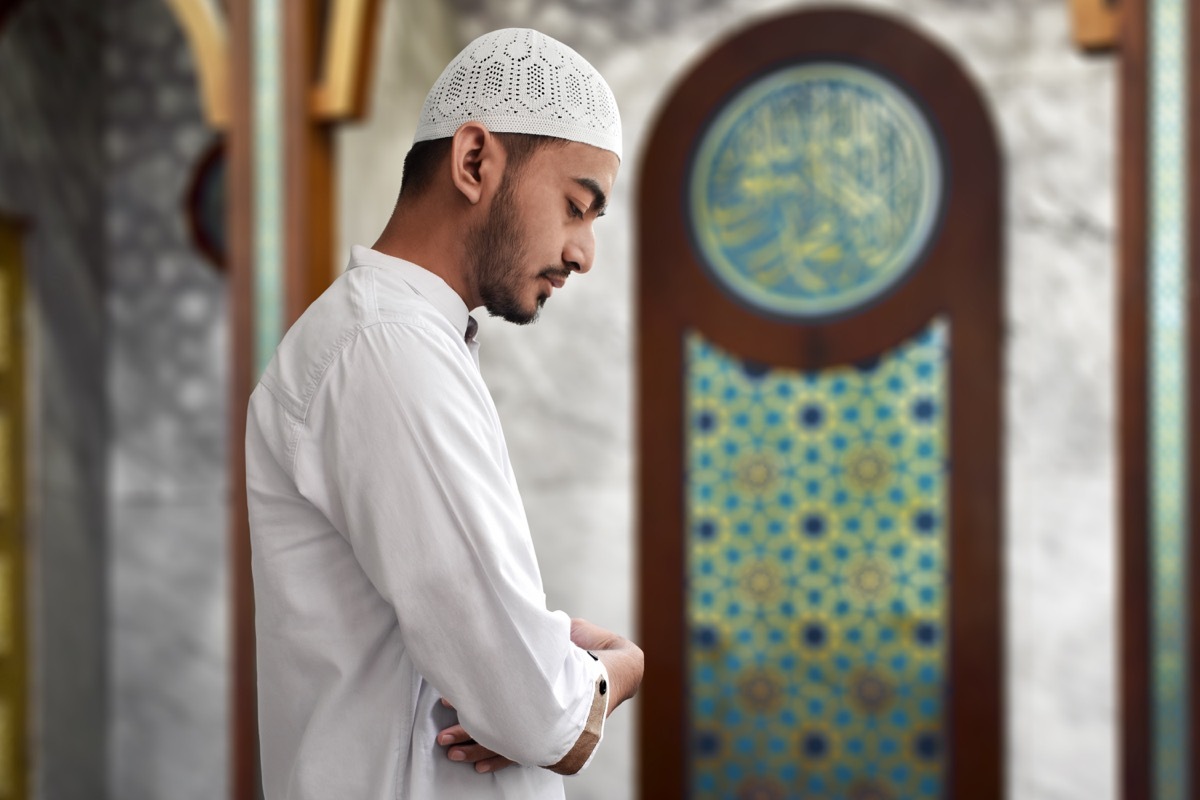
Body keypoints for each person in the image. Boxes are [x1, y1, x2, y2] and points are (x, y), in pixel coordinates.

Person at [244, 27, 644, 800]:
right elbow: (539, 715)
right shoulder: (386, 352)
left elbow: (488, 664)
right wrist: (616, 670)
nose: (584, 252)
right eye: (575, 206)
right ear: (473, 162)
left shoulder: (408, 340)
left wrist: (535, 660)